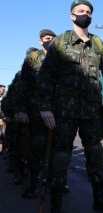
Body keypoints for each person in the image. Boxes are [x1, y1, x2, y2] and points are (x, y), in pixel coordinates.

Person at [38, 0, 103, 212]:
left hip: (92, 111)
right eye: (81, 11)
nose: (86, 14)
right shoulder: (60, 42)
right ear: (72, 16)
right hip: (63, 111)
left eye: (89, 11)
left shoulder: (99, 44)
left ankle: (99, 199)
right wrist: (45, 107)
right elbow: (46, 75)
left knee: (95, 154)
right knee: (61, 155)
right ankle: (56, 202)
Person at [15, 29, 56, 198]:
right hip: (35, 110)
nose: (51, 41)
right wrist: (21, 109)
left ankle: (56, 182)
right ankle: (32, 183)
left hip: (57, 110)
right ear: (41, 41)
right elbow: (22, 85)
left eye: (53, 39)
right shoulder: (33, 58)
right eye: (47, 39)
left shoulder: (60, 59)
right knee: (37, 146)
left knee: (57, 149)